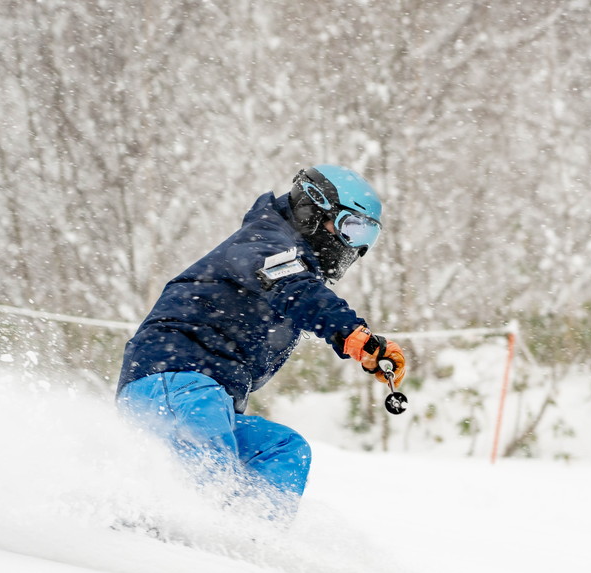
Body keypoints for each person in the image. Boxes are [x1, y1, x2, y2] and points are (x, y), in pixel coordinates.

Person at [116, 164, 406, 517]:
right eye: (351, 228)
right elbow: (296, 292)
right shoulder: (263, 242)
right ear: (313, 210)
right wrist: (353, 335)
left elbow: (301, 291)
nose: (354, 247)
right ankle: (167, 538)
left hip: (209, 397)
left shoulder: (292, 261)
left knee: (284, 449)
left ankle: (255, 542)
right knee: (208, 488)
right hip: (171, 379)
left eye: (365, 238)